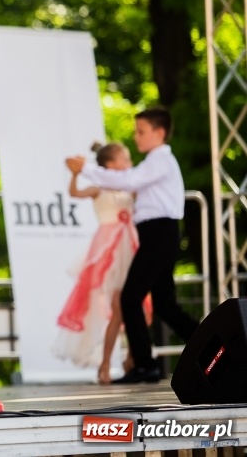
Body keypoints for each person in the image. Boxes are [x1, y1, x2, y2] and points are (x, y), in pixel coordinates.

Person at [65, 107, 199, 384]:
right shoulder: (153, 163)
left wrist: (87, 169)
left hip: (159, 231)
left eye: (141, 131)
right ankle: (208, 345)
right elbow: (127, 181)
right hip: (155, 232)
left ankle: (146, 365)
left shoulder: (160, 160)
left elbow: (129, 180)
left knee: (130, 297)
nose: (136, 137)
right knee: (164, 303)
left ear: (159, 133)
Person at [53, 141, 141, 384]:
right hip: (110, 251)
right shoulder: (99, 188)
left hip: (131, 247)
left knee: (137, 308)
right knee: (119, 308)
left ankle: (133, 360)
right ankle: (105, 364)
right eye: (126, 159)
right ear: (111, 164)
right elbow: (75, 193)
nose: (130, 164)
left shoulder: (130, 187)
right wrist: (75, 175)